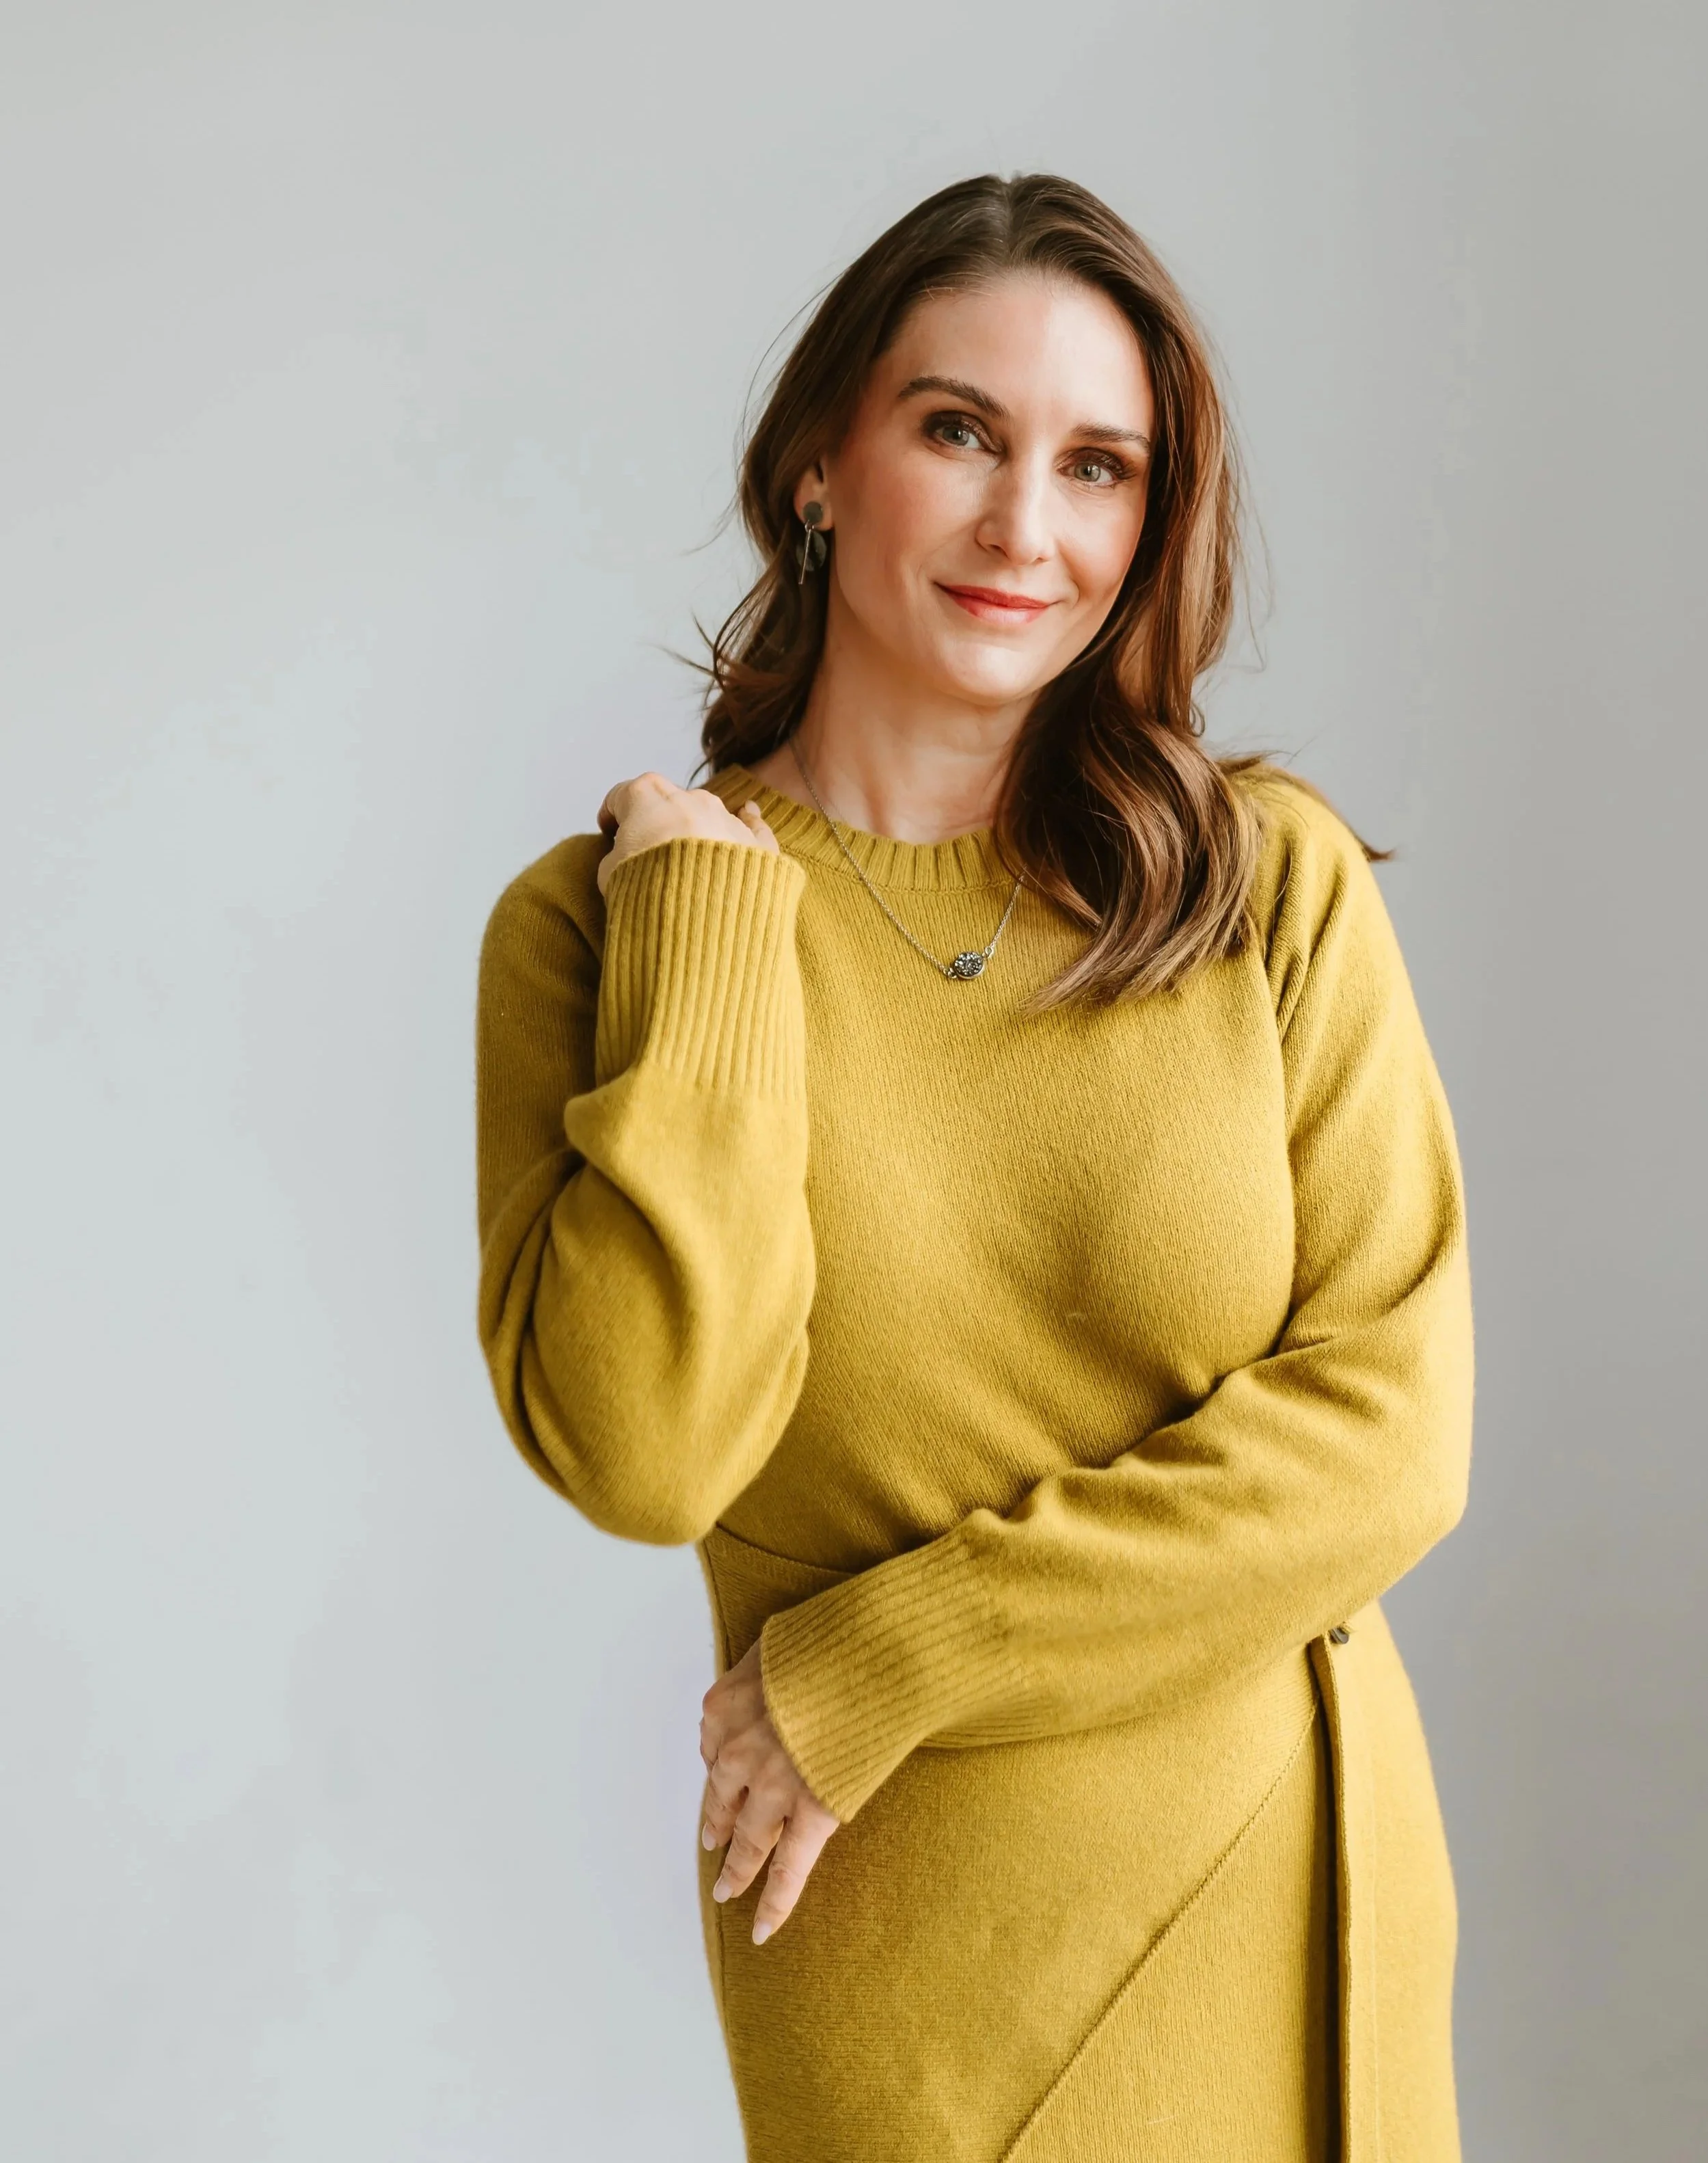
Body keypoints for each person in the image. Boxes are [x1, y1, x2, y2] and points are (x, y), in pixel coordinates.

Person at [474, 172, 1474, 2162]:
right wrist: (715, 929)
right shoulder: (602, 936)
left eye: (1099, 466)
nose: (1032, 527)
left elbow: (1392, 1436)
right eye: (961, 432)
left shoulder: (1255, 885)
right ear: (821, 464)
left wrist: (880, 1660)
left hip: (1295, 1912)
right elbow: (650, 1448)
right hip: (922, 1984)